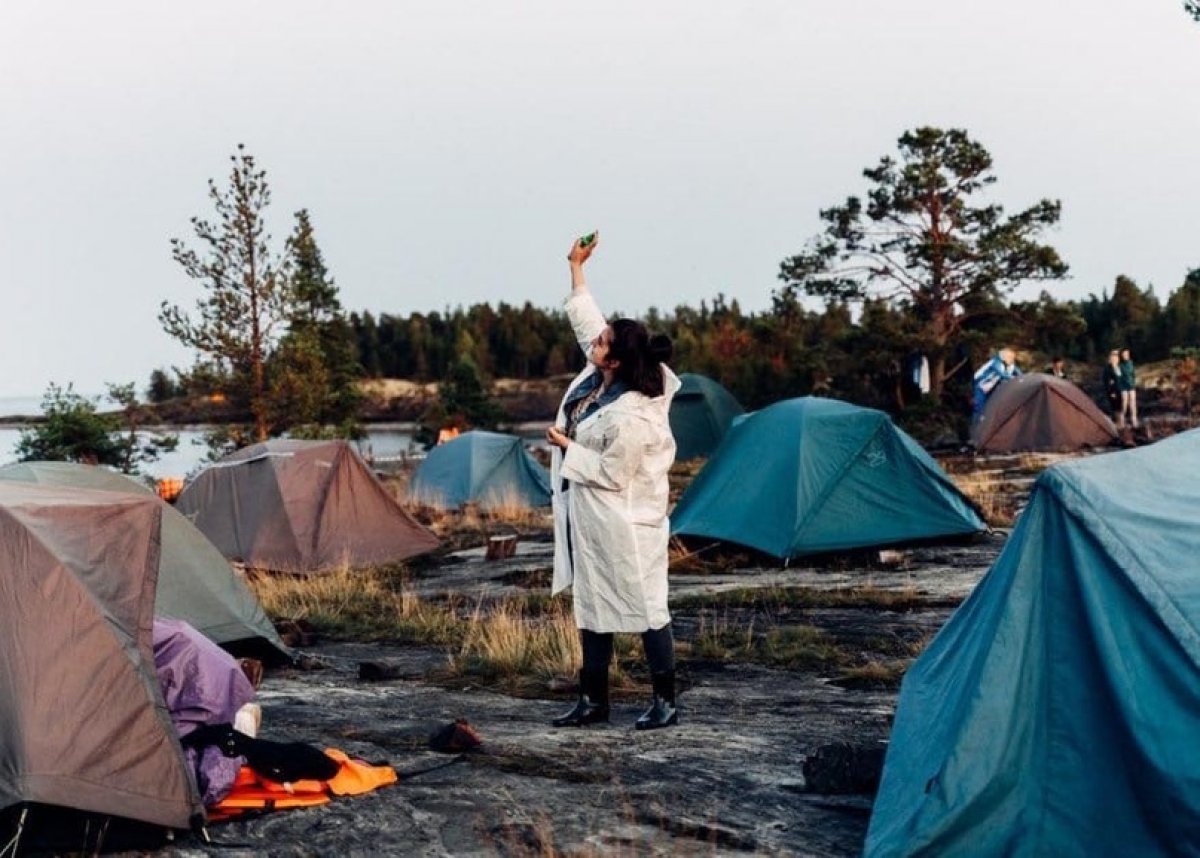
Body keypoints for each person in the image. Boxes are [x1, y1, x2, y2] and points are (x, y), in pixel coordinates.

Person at [545, 231, 682, 731]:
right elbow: (588, 322)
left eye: (602, 343)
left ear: (618, 360)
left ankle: (666, 700)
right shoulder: (602, 375)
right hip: (591, 520)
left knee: (647, 605)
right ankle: (593, 701)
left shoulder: (633, 414)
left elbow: (612, 472)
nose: (594, 342)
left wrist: (567, 448)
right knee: (592, 603)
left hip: (626, 521)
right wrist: (576, 268)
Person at [972, 347, 1021, 420]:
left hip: (989, 388)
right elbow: (1003, 374)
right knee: (979, 407)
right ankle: (976, 425)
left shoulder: (1009, 365)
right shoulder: (996, 362)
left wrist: (1023, 377)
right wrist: (1015, 378)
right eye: (1010, 357)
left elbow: (1018, 372)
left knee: (988, 407)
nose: (1012, 360)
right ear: (1004, 356)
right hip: (981, 386)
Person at [1118, 347, 1138, 428]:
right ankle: (1122, 421)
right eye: (1124, 354)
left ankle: (1134, 420)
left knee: (1133, 403)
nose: (1126, 355)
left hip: (1131, 385)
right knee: (1124, 403)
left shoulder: (1131, 363)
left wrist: (1133, 383)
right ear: (1122, 355)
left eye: (1127, 354)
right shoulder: (1119, 365)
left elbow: (1133, 374)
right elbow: (1118, 376)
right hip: (1123, 386)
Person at [1102, 350, 1122, 419]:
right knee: (1115, 408)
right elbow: (1107, 382)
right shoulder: (1108, 369)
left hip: (1122, 391)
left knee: (1121, 408)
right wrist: (1111, 392)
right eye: (1113, 357)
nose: (1115, 358)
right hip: (1113, 391)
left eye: (1117, 357)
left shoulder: (1120, 367)